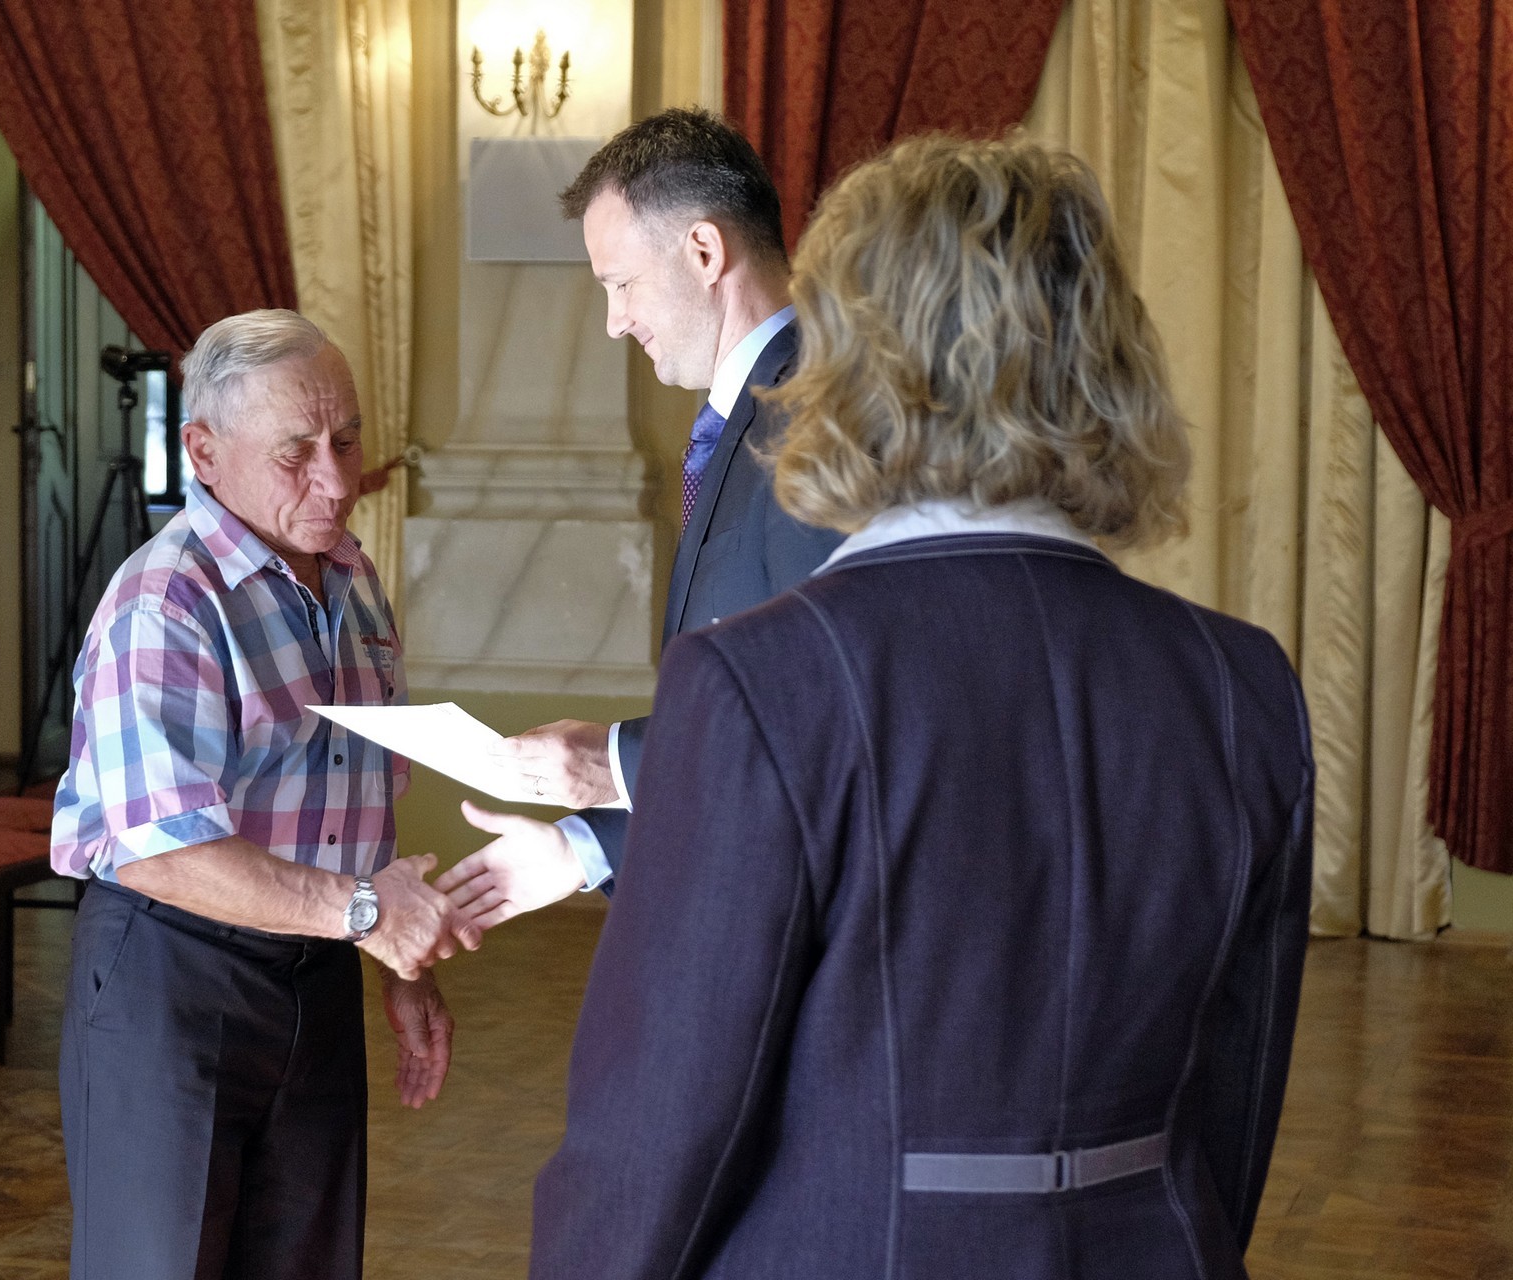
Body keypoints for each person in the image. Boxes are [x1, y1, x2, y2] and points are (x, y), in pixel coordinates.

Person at [529, 134, 1314, 1279]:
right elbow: (1235, 1103)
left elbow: (655, 1130)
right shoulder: (1246, 684)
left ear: (851, 355)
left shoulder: (758, 683)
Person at [52, 310, 480, 1280]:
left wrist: (401, 966)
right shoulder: (167, 602)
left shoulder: (352, 579)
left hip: (317, 967)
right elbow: (163, 848)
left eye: (348, 441)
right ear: (204, 451)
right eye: (297, 452)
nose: (337, 479)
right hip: (174, 974)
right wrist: (368, 913)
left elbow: (357, 787)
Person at [437, 108, 841, 921]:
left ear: (704, 252)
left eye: (620, 284)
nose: (615, 320)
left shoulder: (814, 416)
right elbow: (742, 706)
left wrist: (616, 759)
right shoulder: (752, 414)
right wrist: (584, 849)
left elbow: (832, 701)